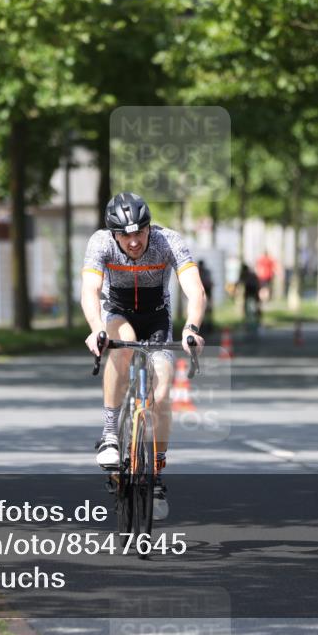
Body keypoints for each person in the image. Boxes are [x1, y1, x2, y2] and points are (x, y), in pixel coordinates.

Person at [81, 192, 206, 518]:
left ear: (149, 228)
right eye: (125, 234)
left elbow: (195, 288)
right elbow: (90, 290)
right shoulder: (100, 243)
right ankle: (110, 435)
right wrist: (96, 328)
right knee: (121, 347)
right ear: (113, 234)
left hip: (157, 318)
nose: (134, 241)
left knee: (163, 390)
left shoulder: (168, 241)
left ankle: (157, 471)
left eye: (139, 232)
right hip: (117, 313)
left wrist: (191, 327)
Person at [238, 263, 262, 329]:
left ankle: (254, 323)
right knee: (250, 308)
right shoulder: (249, 275)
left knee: (253, 308)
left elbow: (241, 282)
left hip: (252, 293)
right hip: (250, 293)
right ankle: (251, 323)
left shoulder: (249, 275)